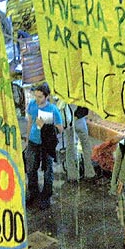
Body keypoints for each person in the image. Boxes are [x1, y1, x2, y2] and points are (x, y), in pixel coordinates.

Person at [25, 82, 63, 210]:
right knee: (31, 169)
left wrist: (46, 125)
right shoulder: (32, 105)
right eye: (36, 96)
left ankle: (46, 196)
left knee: (48, 171)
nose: (37, 99)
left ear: (47, 96)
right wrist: (27, 139)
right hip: (33, 142)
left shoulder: (53, 109)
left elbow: (60, 128)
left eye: (40, 97)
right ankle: (33, 193)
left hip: (46, 145)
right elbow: (30, 122)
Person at [63, 104, 97, 182]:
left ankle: (72, 176)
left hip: (67, 120)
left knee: (70, 147)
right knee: (86, 145)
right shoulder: (79, 92)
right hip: (79, 120)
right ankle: (89, 173)